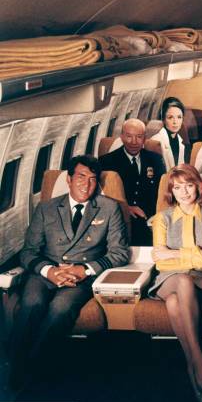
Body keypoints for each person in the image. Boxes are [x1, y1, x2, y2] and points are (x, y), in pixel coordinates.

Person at [8, 155, 129, 390]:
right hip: (46, 273)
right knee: (32, 303)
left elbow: (120, 253)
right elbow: (28, 252)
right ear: (69, 179)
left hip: (80, 278)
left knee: (60, 308)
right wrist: (49, 270)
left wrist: (84, 270)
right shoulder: (47, 208)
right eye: (81, 177)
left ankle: (29, 370)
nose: (87, 184)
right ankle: (15, 365)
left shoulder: (109, 207)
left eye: (93, 180)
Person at [149, 164, 202, 402]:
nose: (184, 192)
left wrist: (174, 253)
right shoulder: (162, 218)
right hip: (167, 279)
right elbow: (160, 262)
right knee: (181, 280)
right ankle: (199, 357)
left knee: (174, 304)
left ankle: (191, 363)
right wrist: (196, 252)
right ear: (172, 190)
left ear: (198, 186)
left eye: (189, 185)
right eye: (177, 187)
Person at [99, 118, 165, 245]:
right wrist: (125, 208)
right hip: (121, 218)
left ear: (145, 138)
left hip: (152, 218)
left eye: (139, 137)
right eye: (129, 136)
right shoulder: (106, 161)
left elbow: (163, 190)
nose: (134, 142)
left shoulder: (155, 159)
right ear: (122, 137)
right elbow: (101, 198)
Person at [150, 97, 192, 170]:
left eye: (179, 117)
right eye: (170, 117)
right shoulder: (155, 141)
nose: (175, 122)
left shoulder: (181, 143)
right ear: (163, 119)